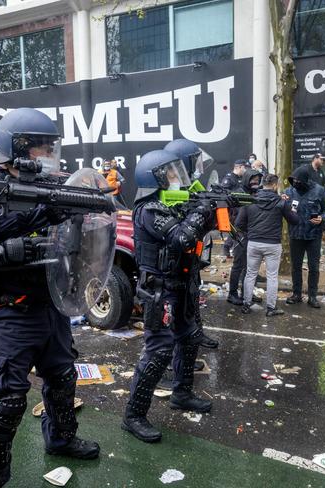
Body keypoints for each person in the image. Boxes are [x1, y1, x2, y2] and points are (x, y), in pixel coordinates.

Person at [0, 108, 101, 487]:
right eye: (40, 147)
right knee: (7, 400)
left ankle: (60, 439)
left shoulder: (51, 183)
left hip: (52, 304)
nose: (48, 154)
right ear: (16, 148)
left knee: (62, 378)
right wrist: (45, 212)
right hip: (11, 308)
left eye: (50, 146)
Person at [122, 150, 215, 443]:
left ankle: (182, 393)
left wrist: (209, 209)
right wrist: (201, 210)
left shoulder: (173, 204)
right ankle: (133, 415)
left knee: (190, 338)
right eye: (172, 175)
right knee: (159, 351)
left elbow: (199, 231)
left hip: (181, 283)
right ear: (156, 179)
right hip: (159, 289)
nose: (179, 179)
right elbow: (182, 238)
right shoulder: (149, 209)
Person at [164, 138, 219, 350]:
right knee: (174, 309)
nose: (198, 168)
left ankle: (196, 333)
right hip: (174, 260)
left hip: (192, 254)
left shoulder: (189, 186)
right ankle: (174, 351)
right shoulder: (167, 190)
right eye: (194, 163)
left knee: (193, 295)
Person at [238, 174, 298, 316]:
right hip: (272, 244)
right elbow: (294, 221)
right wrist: (293, 209)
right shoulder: (281, 202)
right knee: (272, 276)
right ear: (275, 185)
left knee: (250, 274)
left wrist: (252, 231)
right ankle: (271, 308)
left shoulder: (250, 200)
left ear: (262, 184)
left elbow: (239, 223)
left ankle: (246, 305)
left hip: (253, 242)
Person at [285, 167, 325, 308]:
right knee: (296, 267)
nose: (296, 183)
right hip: (295, 234)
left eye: (299, 181)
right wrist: (281, 201)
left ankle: (312, 296)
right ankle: (297, 294)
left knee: (313, 267)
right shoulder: (289, 191)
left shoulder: (319, 190)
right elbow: (282, 208)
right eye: (294, 180)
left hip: (313, 235)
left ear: (306, 180)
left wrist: (322, 218)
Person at [226, 168, 263, 305]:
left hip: (253, 232)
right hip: (240, 233)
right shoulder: (238, 193)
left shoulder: (257, 192)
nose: (256, 182)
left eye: (258, 180)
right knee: (238, 265)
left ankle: (247, 292)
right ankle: (232, 293)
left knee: (250, 267)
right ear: (247, 178)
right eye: (253, 179)